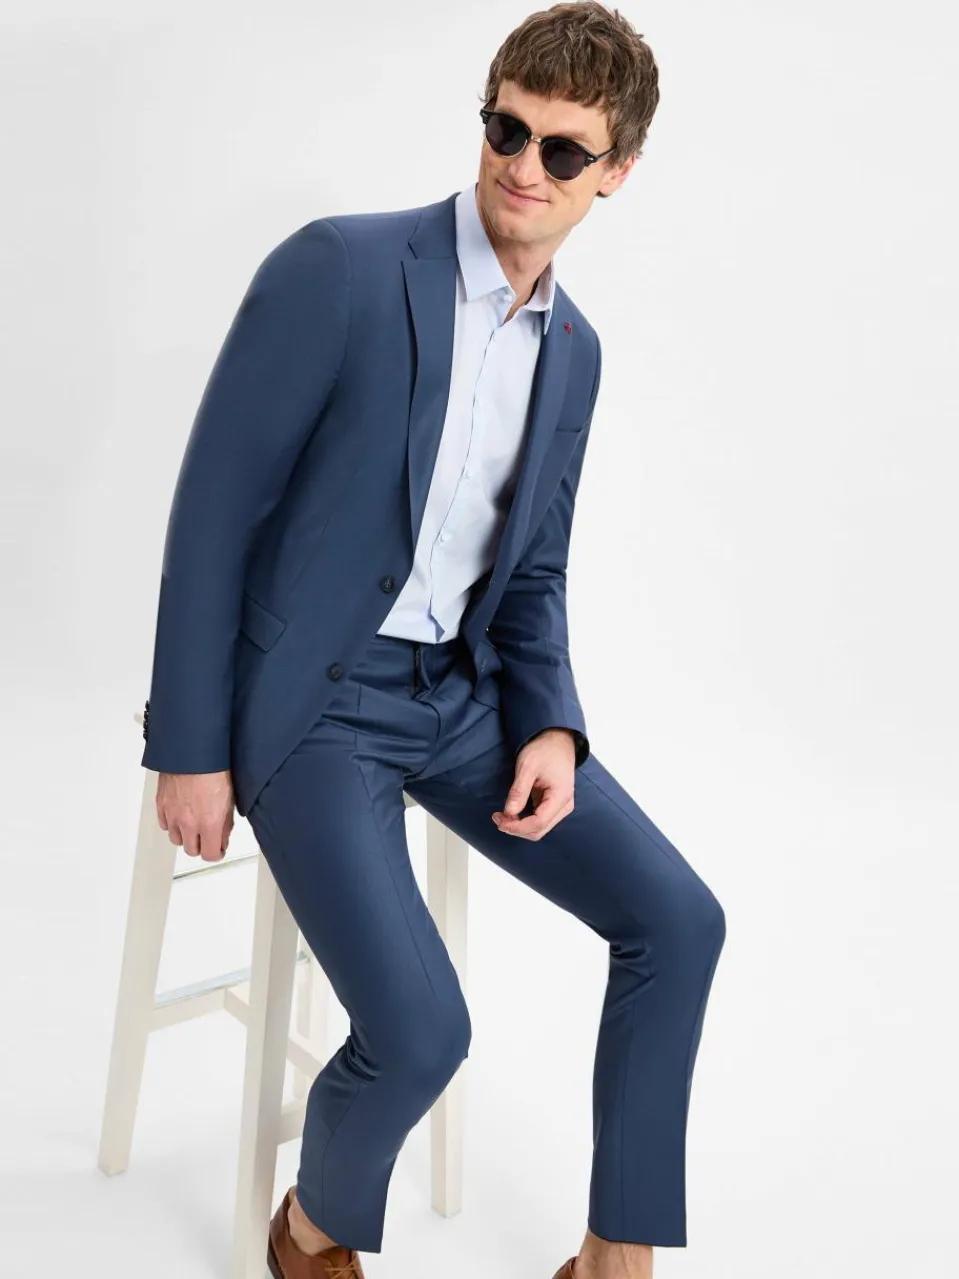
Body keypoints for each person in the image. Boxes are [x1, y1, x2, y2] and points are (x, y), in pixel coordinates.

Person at [140, 5, 725, 1277]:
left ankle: (613, 1254)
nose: (524, 166)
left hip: (461, 703)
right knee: (420, 1030)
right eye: (506, 129)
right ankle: (311, 1226)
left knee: (678, 923)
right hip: (313, 705)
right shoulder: (340, 270)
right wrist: (186, 744)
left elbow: (532, 574)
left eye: (562, 151)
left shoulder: (572, 353)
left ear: (616, 172)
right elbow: (212, 510)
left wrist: (551, 724)